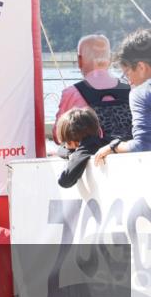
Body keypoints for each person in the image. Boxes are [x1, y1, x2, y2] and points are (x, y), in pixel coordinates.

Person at [53, 35, 131, 143]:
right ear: (110, 59)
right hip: (129, 151)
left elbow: (58, 136)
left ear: (80, 60)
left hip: (91, 152)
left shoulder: (72, 93)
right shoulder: (131, 90)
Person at [94, 28, 151, 165]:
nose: (129, 82)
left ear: (141, 67)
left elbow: (143, 146)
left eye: (127, 74)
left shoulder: (140, 93)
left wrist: (114, 146)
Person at [54, 108, 108, 188]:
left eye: (66, 141)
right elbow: (61, 149)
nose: (65, 145)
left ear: (73, 142)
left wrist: (74, 155)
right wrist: (70, 154)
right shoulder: (98, 141)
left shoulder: (86, 149)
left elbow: (65, 181)